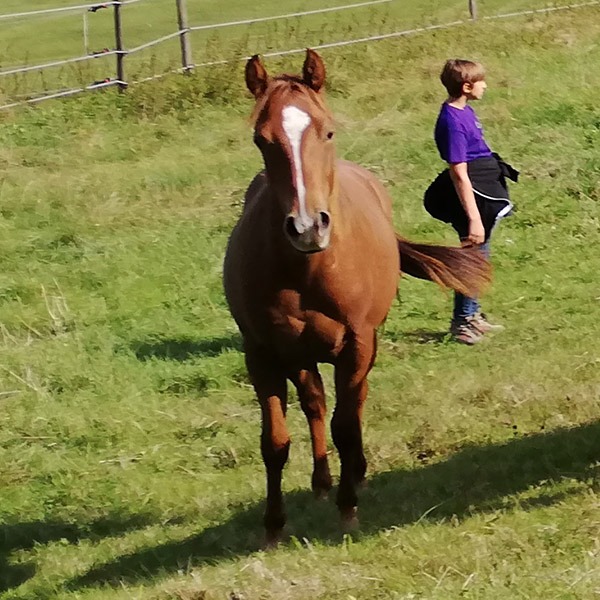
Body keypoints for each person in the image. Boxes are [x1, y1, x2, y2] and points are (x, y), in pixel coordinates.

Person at [424, 58, 518, 345]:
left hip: (483, 184)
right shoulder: (452, 122)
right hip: (472, 194)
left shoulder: (465, 111)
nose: (486, 85)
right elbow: (459, 173)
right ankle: (462, 322)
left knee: (480, 255)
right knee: (473, 257)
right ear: (467, 86)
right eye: (481, 81)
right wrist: (474, 217)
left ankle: (472, 314)